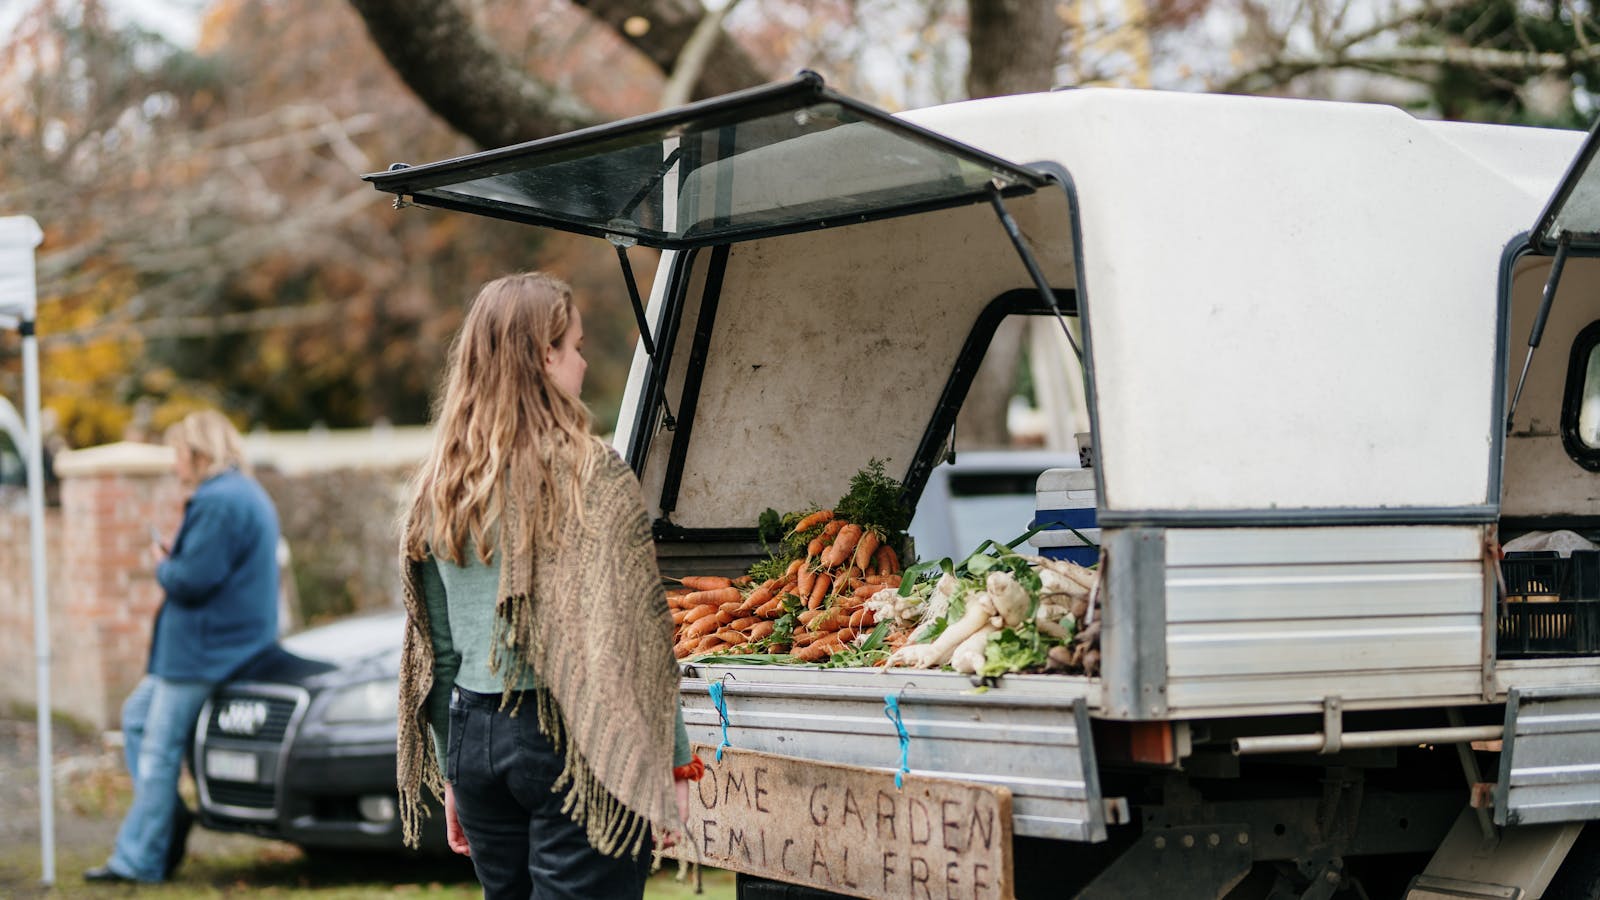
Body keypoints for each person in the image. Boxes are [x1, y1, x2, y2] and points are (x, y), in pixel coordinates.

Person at [396, 271, 696, 899]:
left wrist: (455, 772)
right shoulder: (592, 474)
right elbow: (640, 637)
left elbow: (440, 650)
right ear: (543, 354)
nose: (584, 363)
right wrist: (673, 762)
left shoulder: (441, 484)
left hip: (477, 739)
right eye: (578, 346)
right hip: (576, 735)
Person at [85, 410, 281, 884]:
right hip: (218, 645)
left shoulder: (217, 500)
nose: (175, 466)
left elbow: (192, 580)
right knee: (135, 717)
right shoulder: (244, 493)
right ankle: (166, 816)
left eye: (178, 455)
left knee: (157, 753)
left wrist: (162, 563)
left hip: (204, 652)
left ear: (198, 452)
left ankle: (139, 860)